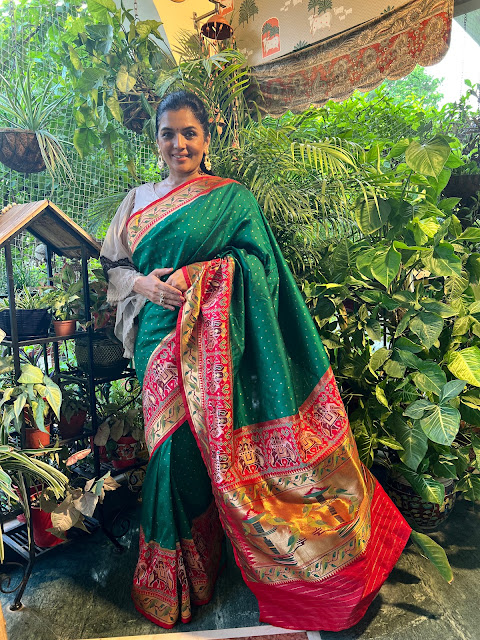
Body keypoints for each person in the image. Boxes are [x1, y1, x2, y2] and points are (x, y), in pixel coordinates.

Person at [100, 90, 411, 631]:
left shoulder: (233, 199)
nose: (179, 143)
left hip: (215, 339)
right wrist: (144, 284)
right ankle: (176, 574)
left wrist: (199, 276)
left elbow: (259, 267)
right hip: (157, 340)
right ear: (155, 139)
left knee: (196, 456)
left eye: (189, 133)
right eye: (168, 133)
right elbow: (115, 268)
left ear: (206, 138)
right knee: (170, 453)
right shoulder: (136, 200)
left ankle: (208, 563)